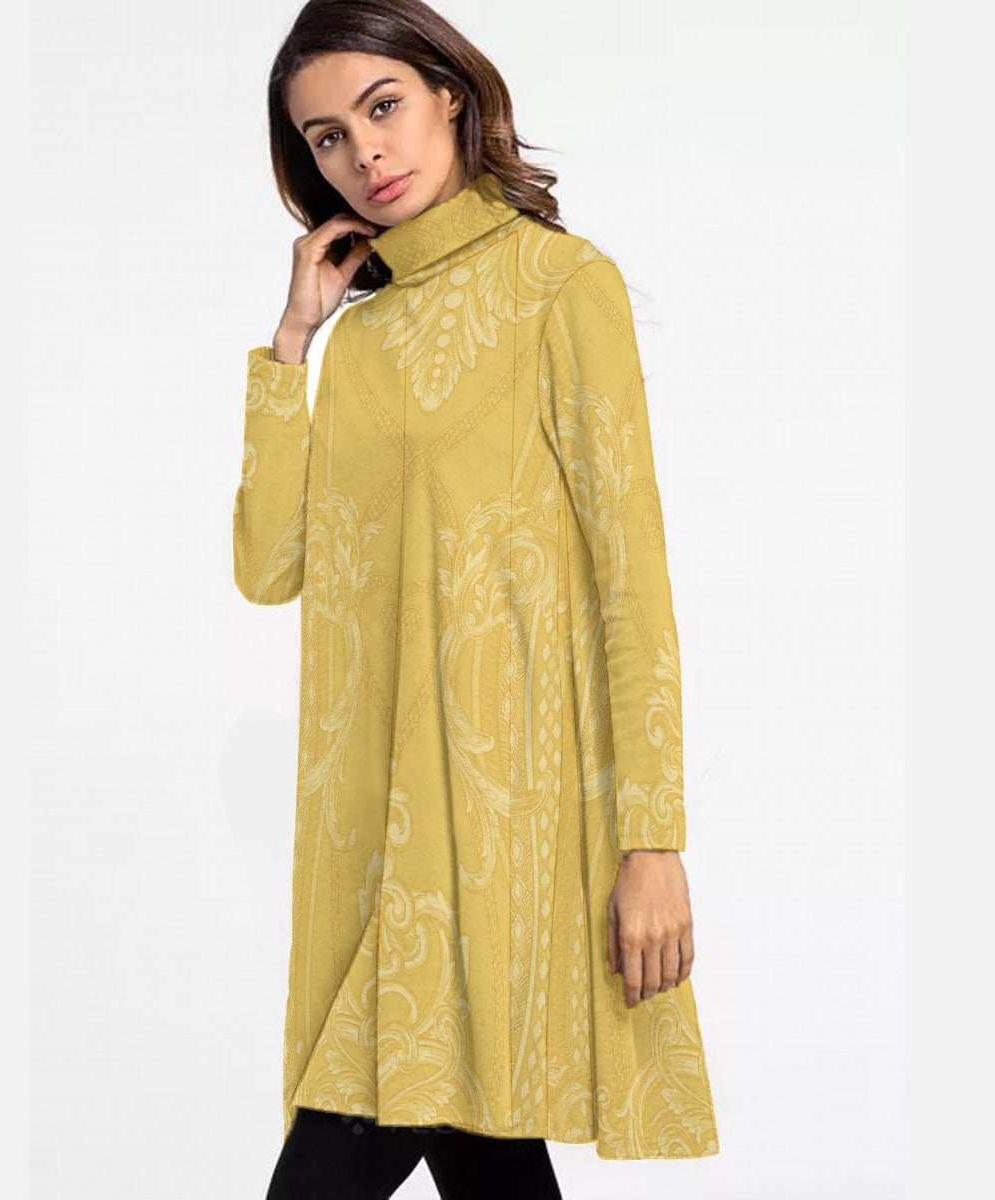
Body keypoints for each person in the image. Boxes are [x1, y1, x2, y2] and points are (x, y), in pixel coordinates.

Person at [233, 0, 720, 1193]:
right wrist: (292, 343)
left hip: (505, 828)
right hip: (371, 839)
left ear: (450, 93)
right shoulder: (358, 339)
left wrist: (654, 841)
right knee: (482, 1153)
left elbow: (631, 578)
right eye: (329, 137)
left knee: (354, 1148)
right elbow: (269, 565)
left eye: (382, 107)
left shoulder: (561, 285)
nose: (365, 152)